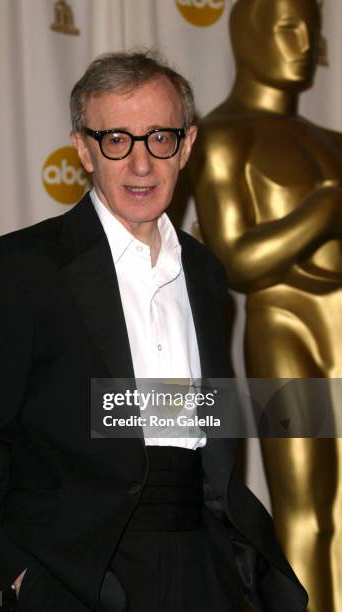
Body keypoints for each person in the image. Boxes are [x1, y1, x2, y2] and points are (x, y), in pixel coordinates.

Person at [0, 50, 307, 612]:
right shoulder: (24, 266)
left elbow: (189, 418)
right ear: (83, 149)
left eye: (159, 138)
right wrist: (16, 574)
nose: (141, 164)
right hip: (80, 573)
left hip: (203, 560)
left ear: (186, 146)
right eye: (117, 140)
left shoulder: (207, 274)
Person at [189, 1, 342, 610]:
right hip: (283, 327)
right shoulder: (223, 137)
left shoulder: (333, 141)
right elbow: (232, 260)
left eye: (312, 28)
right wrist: (322, 212)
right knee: (304, 508)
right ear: (250, 36)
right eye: (287, 27)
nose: (305, 42)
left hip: (338, 324)